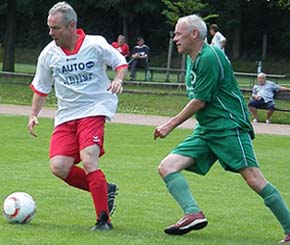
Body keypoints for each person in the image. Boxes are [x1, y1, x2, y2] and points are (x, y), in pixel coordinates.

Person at [153, 14, 290, 244]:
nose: (174, 38)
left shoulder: (210, 56)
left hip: (229, 127)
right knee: (167, 166)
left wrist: (170, 124)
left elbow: (200, 100)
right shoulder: (191, 58)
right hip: (207, 129)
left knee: (254, 179)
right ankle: (193, 213)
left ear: (194, 34)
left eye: (178, 33)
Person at [27, 2, 128, 231]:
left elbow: (120, 63)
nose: (51, 33)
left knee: (89, 158)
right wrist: (33, 115)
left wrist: (118, 79)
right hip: (66, 116)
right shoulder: (48, 54)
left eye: (56, 28)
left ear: (72, 26)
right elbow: (41, 88)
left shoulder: (95, 44)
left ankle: (103, 220)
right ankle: (105, 189)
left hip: (94, 108)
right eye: (49, 28)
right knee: (59, 167)